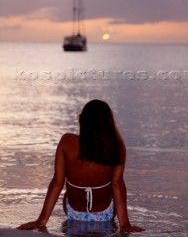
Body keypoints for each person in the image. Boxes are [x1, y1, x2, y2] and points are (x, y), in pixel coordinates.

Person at [18, 99, 144, 233]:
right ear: (108, 123)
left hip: (73, 212)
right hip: (105, 214)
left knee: (68, 187)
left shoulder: (67, 142)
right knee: (113, 186)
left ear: (82, 120)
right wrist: (125, 224)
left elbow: (57, 183)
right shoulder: (116, 147)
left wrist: (41, 221)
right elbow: (117, 185)